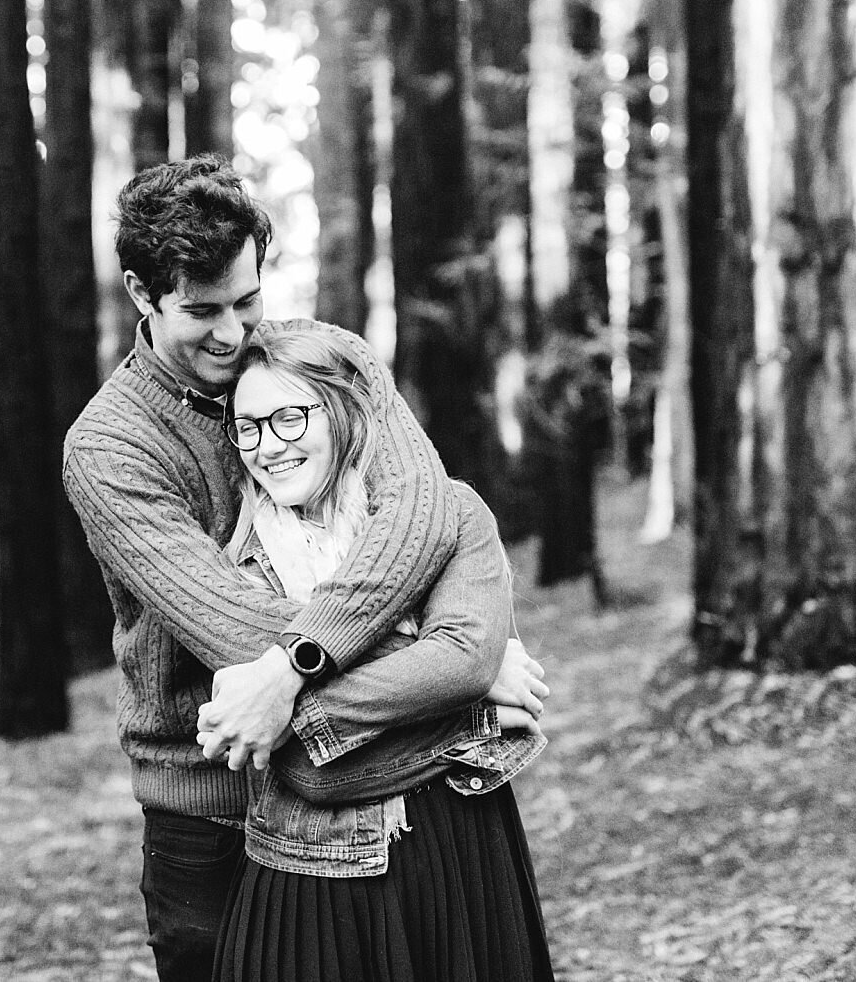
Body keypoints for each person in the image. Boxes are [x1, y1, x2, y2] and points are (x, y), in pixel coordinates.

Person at [62, 156, 547, 982]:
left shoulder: (334, 365)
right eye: (200, 310)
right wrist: (457, 673)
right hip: (211, 806)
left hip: (382, 789)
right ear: (144, 295)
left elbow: (421, 513)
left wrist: (406, 660)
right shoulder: (111, 448)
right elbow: (238, 630)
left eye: (247, 301)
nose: (230, 332)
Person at [206, 327, 555, 981]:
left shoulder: (453, 512)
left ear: (343, 411)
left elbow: (465, 660)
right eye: (248, 427)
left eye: (288, 416)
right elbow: (315, 772)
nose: (268, 446)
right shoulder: (237, 577)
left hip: (465, 858)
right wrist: (474, 713)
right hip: (312, 883)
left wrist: (299, 699)